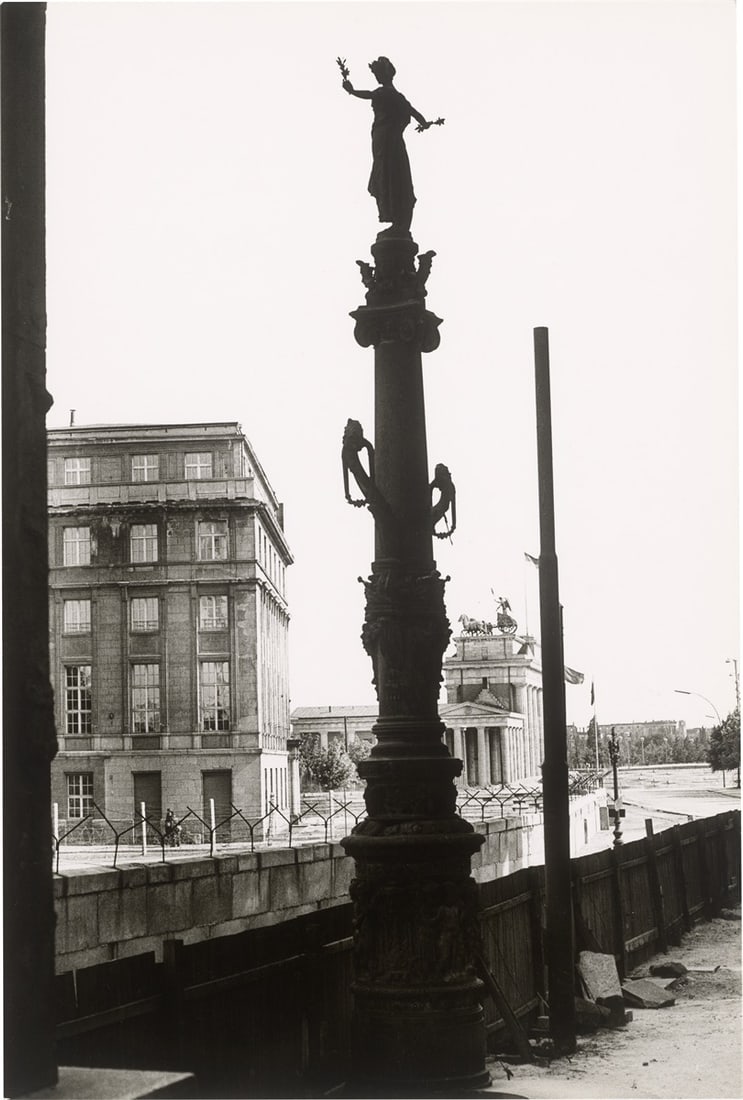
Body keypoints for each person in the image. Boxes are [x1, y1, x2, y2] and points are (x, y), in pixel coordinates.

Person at [342, 57, 437, 236]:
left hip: (385, 142)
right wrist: (425, 123)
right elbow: (415, 113)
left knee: (389, 176)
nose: (376, 77)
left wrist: (352, 91)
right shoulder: (398, 97)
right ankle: (398, 219)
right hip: (388, 141)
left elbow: (369, 94)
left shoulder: (385, 94)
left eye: (377, 74)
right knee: (394, 176)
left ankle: (396, 218)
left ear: (384, 74)